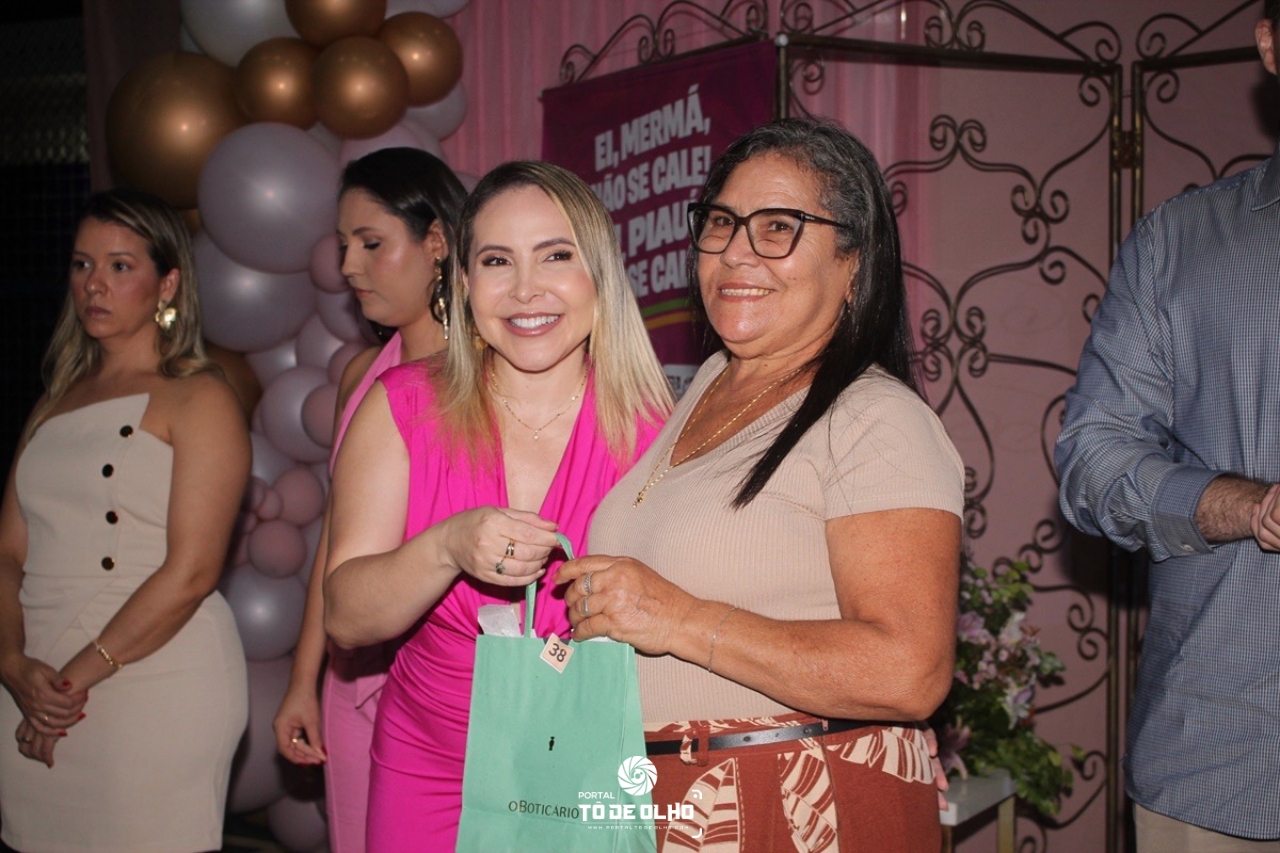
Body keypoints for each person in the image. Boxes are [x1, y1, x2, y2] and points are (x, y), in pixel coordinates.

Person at [557, 117, 964, 852]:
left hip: (792, 805)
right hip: (670, 804)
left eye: (779, 227)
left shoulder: (876, 419)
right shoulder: (709, 383)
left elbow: (910, 671)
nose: (736, 252)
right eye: (721, 222)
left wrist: (681, 619)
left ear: (853, 261)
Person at [322, 160, 673, 852]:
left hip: (588, 767)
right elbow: (346, 618)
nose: (525, 289)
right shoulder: (403, 407)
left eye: (556, 255)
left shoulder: (657, 435)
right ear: (463, 281)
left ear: (600, 275)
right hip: (429, 769)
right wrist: (446, 546)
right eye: (496, 260)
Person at [1056, 5, 1280, 849]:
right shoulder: (1180, 245)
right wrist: (1248, 505)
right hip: (1229, 755)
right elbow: (1093, 459)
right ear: (1271, 43)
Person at [0, 188, 250, 852]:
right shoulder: (53, 402)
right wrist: (13, 664)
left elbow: (192, 572)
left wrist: (67, 684)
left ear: (167, 283)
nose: (94, 284)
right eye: (82, 264)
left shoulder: (199, 397)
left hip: (151, 672)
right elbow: (7, 553)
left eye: (119, 266)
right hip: (33, 676)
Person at [271, 147, 466, 853]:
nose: (349, 266)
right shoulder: (363, 373)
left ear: (437, 241)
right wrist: (305, 678)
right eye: (344, 245)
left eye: (371, 243)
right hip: (352, 672)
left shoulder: (494, 373)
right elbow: (336, 537)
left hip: (451, 677)